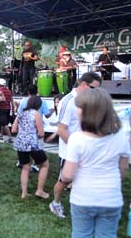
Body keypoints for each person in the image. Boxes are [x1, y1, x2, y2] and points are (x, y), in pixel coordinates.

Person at [61, 88, 130, 238]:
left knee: (81, 235)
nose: (77, 111)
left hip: (83, 198)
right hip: (111, 197)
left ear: (88, 112)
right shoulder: (121, 137)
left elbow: (67, 175)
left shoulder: (76, 139)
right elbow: (123, 169)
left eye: (79, 108)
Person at [49, 72, 102, 218]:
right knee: (64, 180)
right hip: (70, 151)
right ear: (84, 84)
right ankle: (56, 203)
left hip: (87, 149)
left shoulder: (87, 100)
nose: (95, 92)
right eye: (93, 88)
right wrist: (76, 149)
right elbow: (61, 130)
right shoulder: (68, 101)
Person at [12, 96, 49, 199]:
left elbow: (13, 130)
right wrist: (35, 134)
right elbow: (41, 133)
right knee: (44, 165)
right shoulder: (36, 114)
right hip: (32, 143)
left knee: (25, 167)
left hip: (20, 143)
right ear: (38, 105)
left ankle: (24, 193)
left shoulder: (21, 113)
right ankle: (40, 191)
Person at [0, 78, 14, 143]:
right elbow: (12, 100)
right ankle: (0, 134)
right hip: (8, 108)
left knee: (4, 123)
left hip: (2, 108)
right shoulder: (9, 91)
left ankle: (10, 138)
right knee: (3, 122)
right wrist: (13, 109)